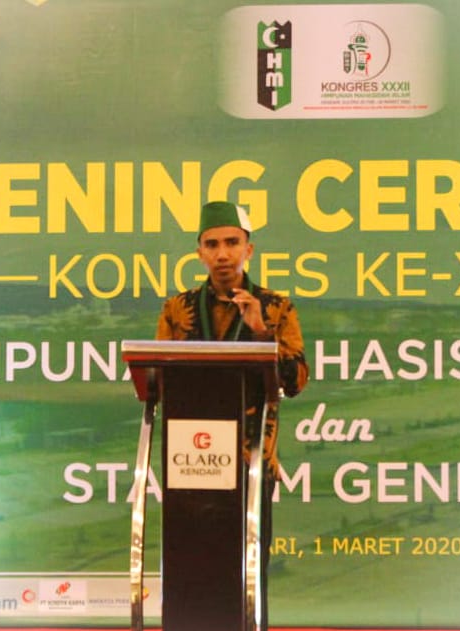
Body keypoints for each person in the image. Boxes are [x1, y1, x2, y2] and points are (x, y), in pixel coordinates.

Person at [156, 200, 308, 629]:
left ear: (248, 250)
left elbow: (295, 381)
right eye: (212, 245)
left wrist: (260, 331)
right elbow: (159, 381)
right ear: (199, 253)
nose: (222, 254)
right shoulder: (176, 309)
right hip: (190, 464)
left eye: (231, 243)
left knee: (246, 578)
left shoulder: (277, 307)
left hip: (250, 462)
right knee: (191, 578)